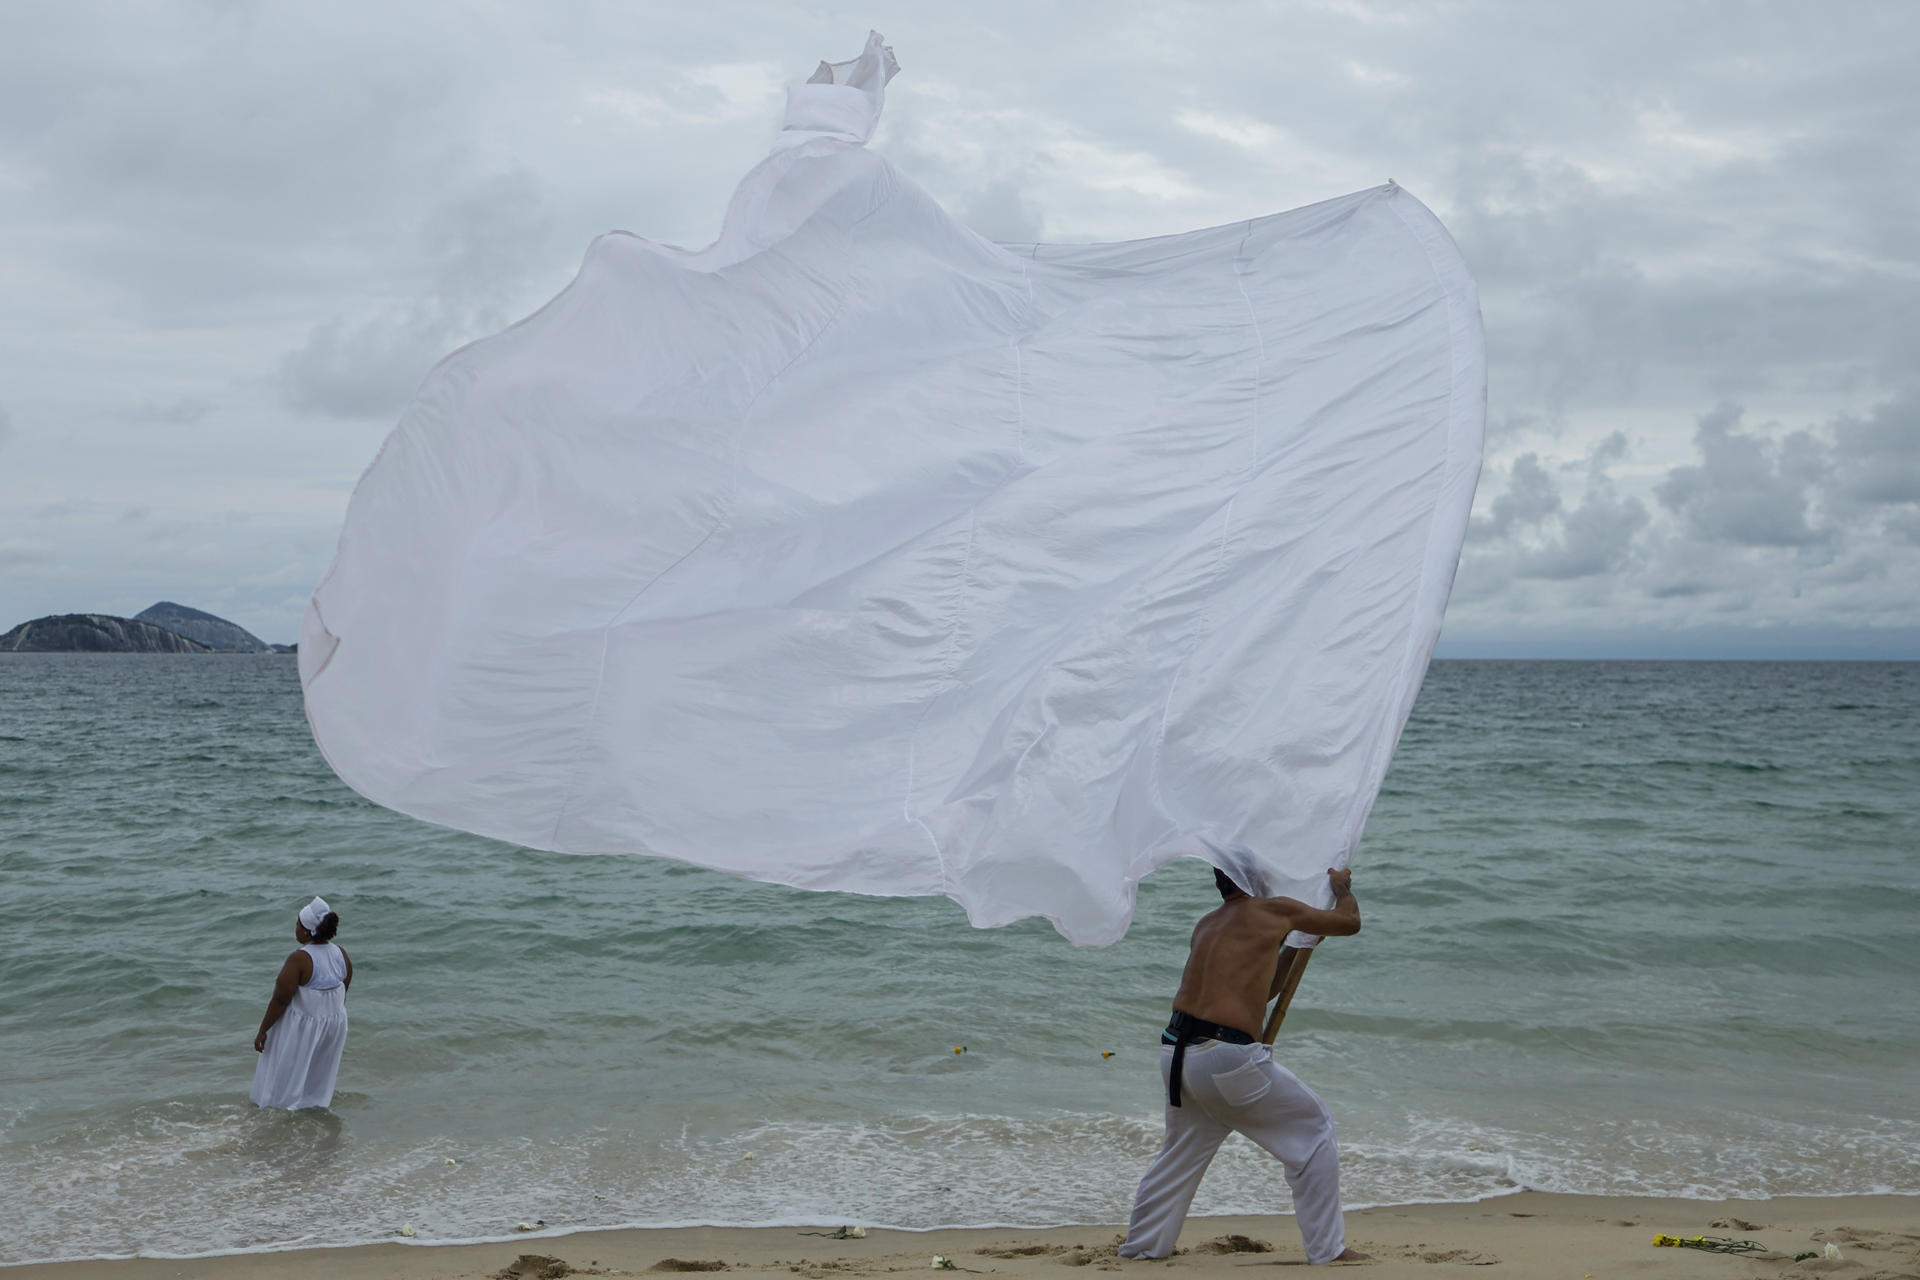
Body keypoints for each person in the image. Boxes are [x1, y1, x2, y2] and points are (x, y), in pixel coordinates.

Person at [1119, 866, 1364, 1266]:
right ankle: (1328, 1250)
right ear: (1255, 879)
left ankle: (1142, 1248)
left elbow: (1261, 990)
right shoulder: (1275, 910)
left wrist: (1296, 948)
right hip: (1225, 1056)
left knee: (1180, 1155)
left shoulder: (1208, 924)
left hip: (1176, 1053)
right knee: (1315, 1131)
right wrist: (1342, 890)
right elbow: (1349, 922)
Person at [250, 895, 352, 1110]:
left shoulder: (300, 959)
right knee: (318, 1073)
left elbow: (281, 998)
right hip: (333, 1025)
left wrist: (263, 1030)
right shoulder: (340, 953)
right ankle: (313, 1112)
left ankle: (277, 1112)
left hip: (303, 1027)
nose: (295, 928)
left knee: (285, 1073)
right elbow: (344, 988)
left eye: (298, 924)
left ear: (307, 931)